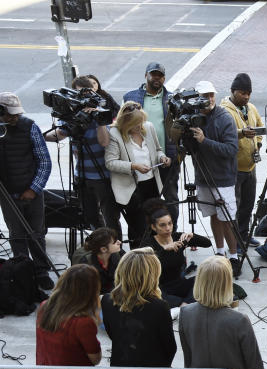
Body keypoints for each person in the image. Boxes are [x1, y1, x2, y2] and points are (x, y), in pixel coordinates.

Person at [181, 80, 241, 276]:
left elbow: (231, 149)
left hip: (222, 178)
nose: (208, 99)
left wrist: (204, 141)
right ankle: (220, 251)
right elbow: (189, 149)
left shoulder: (224, 118)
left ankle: (234, 256)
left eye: (211, 95)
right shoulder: (193, 117)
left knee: (227, 219)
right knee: (214, 216)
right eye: (204, 96)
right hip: (203, 177)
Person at [43, 76, 115, 231]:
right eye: (76, 94)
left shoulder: (101, 111)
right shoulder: (71, 115)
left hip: (103, 175)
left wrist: (98, 120)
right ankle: (100, 243)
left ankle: (114, 249)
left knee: (110, 217)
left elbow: (104, 142)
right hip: (81, 174)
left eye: (83, 94)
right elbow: (59, 135)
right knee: (89, 216)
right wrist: (37, 136)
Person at [0, 91, 53, 289]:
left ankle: (41, 271)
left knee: (36, 233)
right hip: (8, 193)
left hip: (32, 191)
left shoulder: (30, 126)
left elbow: (44, 161)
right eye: (10, 114)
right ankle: (22, 272)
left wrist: (34, 188)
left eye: (16, 114)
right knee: (16, 235)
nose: (14, 118)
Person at [105, 100, 170, 244]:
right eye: (136, 124)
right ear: (126, 123)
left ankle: (155, 255)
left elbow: (158, 150)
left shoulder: (148, 127)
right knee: (138, 227)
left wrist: (162, 158)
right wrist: (133, 166)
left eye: (142, 122)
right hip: (132, 188)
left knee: (156, 222)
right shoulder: (115, 134)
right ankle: (137, 257)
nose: (140, 127)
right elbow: (110, 162)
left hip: (152, 183)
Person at [124, 62, 180, 222]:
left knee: (171, 200)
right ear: (146, 75)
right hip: (142, 161)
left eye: (160, 75)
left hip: (167, 159)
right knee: (146, 202)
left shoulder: (172, 99)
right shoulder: (130, 97)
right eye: (153, 74)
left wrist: (176, 154)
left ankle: (172, 235)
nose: (157, 78)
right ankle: (147, 236)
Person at [220, 73, 264, 247]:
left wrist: (258, 144)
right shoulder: (224, 111)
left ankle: (244, 235)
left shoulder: (251, 108)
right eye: (242, 93)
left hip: (251, 166)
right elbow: (224, 135)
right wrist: (241, 134)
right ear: (233, 91)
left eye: (248, 93)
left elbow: (260, 128)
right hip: (234, 168)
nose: (246, 97)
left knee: (248, 204)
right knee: (234, 207)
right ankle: (234, 241)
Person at [143, 202, 211, 308]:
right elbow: (142, 265)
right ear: (153, 227)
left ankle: (184, 304)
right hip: (158, 288)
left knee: (206, 278)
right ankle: (186, 303)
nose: (168, 228)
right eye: (163, 225)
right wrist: (164, 250)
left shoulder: (178, 238)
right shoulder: (149, 243)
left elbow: (207, 243)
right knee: (151, 297)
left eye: (170, 223)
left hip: (178, 284)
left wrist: (192, 236)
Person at [78, 227, 123, 293]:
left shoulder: (117, 255)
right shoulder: (87, 264)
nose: (120, 242)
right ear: (103, 249)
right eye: (115, 242)